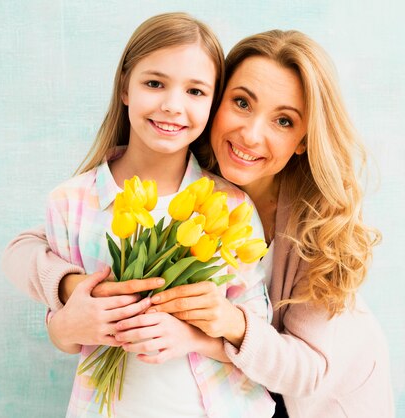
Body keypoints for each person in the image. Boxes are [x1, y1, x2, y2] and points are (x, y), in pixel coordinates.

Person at [3, 28, 394, 417]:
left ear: (306, 138)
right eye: (241, 103)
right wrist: (72, 293)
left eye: (284, 121)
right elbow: (27, 249)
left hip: (320, 399)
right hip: (232, 384)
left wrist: (221, 326)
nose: (251, 134)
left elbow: (305, 373)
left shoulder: (317, 228)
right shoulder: (184, 173)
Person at [23, 12, 275, 418]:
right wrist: (68, 327)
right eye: (154, 83)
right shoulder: (70, 203)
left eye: (195, 91)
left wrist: (190, 336)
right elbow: (65, 329)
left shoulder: (231, 207)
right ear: (126, 87)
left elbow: (255, 332)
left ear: (212, 104)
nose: (172, 106)